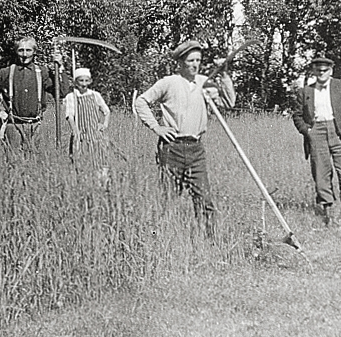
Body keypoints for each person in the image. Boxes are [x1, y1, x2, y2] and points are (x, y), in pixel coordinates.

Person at [133, 40, 236, 237]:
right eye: (190, 60)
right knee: (168, 199)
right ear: (180, 62)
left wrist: (223, 75)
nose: (195, 64)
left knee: (204, 198)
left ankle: (210, 242)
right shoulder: (169, 82)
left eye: (198, 60)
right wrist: (157, 127)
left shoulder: (205, 83)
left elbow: (229, 102)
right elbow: (141, 102)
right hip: (172, 148)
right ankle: (160, 239)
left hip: (196, 149)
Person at [291, 56, 341, 230]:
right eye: (318, 70)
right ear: (314, 72)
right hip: (316, 133)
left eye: (325, 70)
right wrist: (308, 131)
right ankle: (328, 219)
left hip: (339, 134)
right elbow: (297, 115)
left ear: (331, 71)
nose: (321, 73)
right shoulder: (305, 92)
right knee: (321, 175)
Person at [0, 36, 71, 151]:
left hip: (35, 127)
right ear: (16, 52)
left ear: (34, 52)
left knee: (34, 164)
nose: (25, 54)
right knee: (13, 164)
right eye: (21, 50)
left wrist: (60, 67)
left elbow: (62, 92)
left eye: (28, 50)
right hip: (13, 127)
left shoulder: (42, 72)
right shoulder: (7, 72)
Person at [64, 67, 111, 169]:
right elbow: (70, 116)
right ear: (75, 82)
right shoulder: (71, 97)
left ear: (90, 81)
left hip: (96, 134)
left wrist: (105, 124)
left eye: (86, 81)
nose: (84, 84)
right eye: (81, 81)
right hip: (81, 134)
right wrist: (75, 131)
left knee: (100, 161)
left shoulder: (95, 95)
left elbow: (106, 111)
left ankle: (101, 183)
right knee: (81, 163)